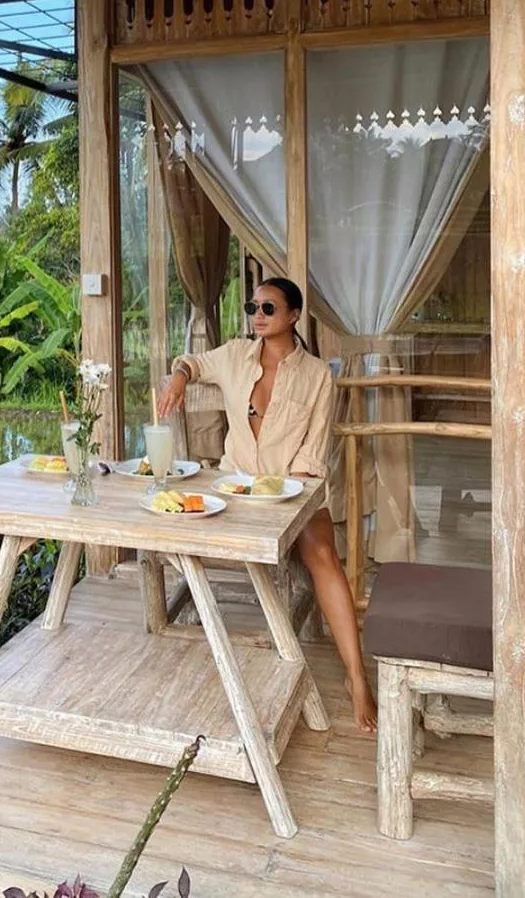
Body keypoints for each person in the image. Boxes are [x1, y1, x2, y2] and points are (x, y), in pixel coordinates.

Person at [156, 276, 377, 734]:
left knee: (322, 555)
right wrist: (179, 378)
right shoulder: (236, 356)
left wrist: (279, 500)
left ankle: (357, 677)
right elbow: (192, 362)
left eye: (269, 308)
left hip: (293, 491)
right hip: (234, 489)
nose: (258, 315)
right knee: (177, 530)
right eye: (252, 306)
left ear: (294, 316)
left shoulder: (318, 376)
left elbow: (313, 458)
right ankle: (187, 663)